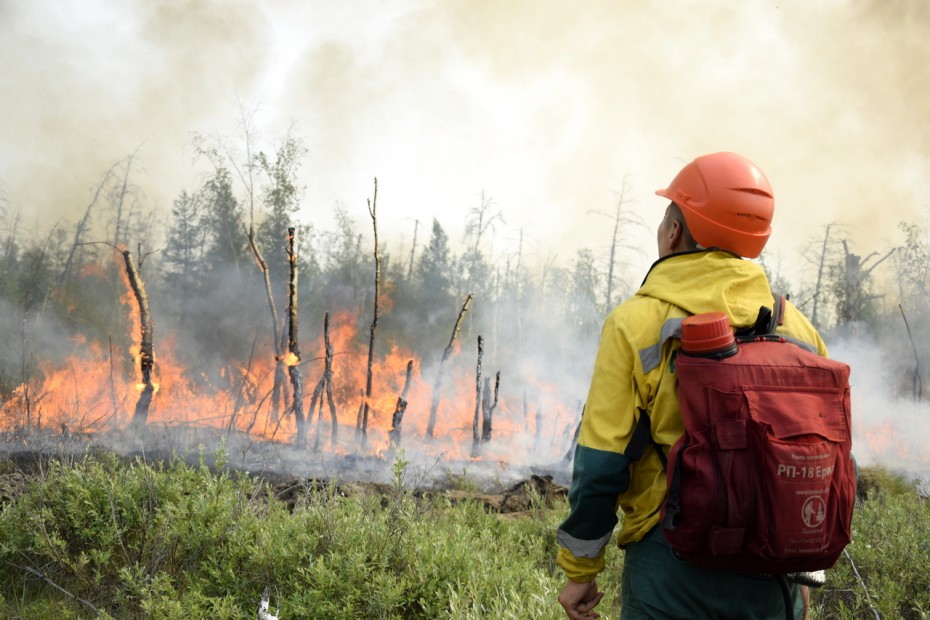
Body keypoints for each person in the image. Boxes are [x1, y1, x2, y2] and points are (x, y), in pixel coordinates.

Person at [556, 152, 827, 620]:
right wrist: (802, 567)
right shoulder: (796, 328)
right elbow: (820, 455)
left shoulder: (636, 323)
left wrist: (581, 570)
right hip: (773, 568)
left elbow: (601, 462)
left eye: (666, 218)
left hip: (670, 560)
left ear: (675, 232)